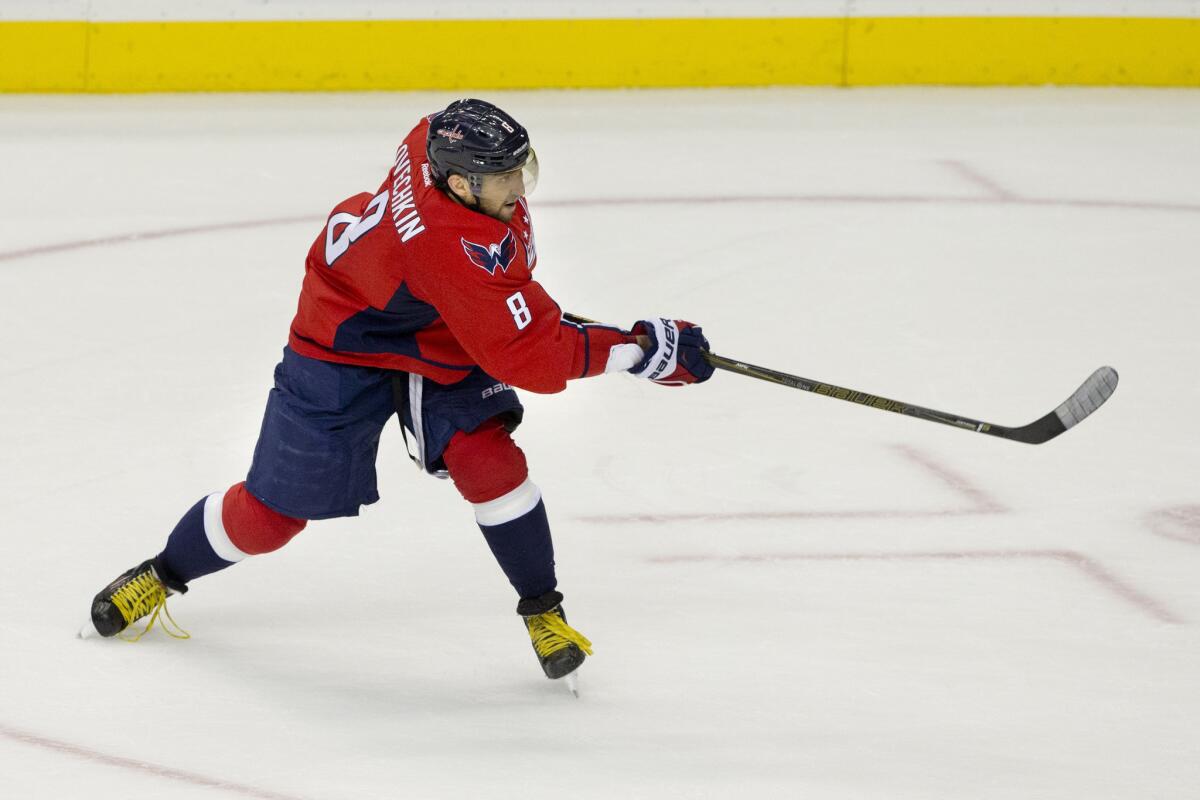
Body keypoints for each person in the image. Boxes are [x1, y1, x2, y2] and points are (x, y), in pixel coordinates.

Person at [82, 99, 714, 685]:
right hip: (342, 338)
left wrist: (541, 321)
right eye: (505, 179)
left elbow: (506, 311)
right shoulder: (452, 245)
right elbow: (534, 358)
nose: (520, 189)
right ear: (462, 185)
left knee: (488, 460)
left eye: (520, 169)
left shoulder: (434, 142)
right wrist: (639, 351)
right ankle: (163, 574)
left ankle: (543, 610)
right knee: (271, 517)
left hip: (435, 323)